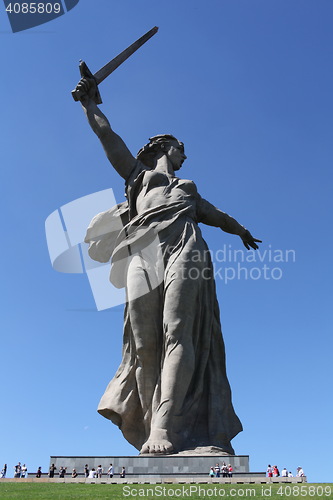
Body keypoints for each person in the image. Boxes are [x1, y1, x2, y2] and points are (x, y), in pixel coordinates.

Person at [75, 77, 261, 456]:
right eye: (181, 148)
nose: (184, 155)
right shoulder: (139, 178)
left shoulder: (189, 188)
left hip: (185, 250)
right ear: (164, 145)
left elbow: (216, 215)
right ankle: (147, 426)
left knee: (179, 332)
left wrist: (241, 230)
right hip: (143, 251)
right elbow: (109, 139)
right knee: (143, 345)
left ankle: (165, 427)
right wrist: (89, 105)